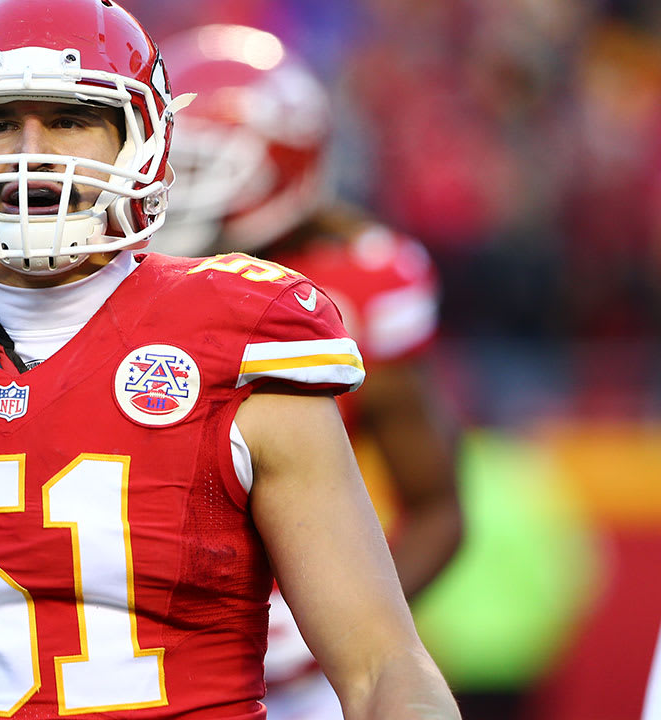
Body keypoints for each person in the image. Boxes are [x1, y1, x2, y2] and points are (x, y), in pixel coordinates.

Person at [0, 1, 460, 718]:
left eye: (69, 119)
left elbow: (383, 670)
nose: (30, 150)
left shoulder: (245, 340)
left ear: (140, 142)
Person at [151, 25, 463, 720]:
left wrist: (327, 637)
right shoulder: (118, 274)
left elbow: (439, 511)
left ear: (280, 162)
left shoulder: (354, 291)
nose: (171, 188)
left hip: (296, 681)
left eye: (199, 166)